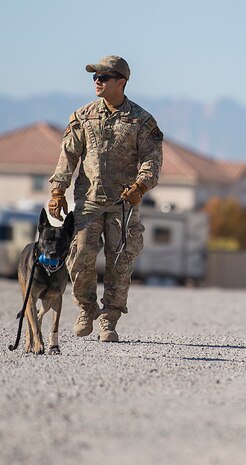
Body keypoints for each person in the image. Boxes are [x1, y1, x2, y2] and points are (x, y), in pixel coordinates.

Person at [47, 55, 163, 342]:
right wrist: (57, 190)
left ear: (121, 82)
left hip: (124, 205)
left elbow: (152, 159)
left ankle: (109, 320)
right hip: (88, 201)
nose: (97, 82)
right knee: (80, 255)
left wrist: (141, 186)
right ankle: (86, 309)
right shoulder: (83, 116)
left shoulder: (142, 121)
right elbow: (68, 156)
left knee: (120, 262)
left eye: (103, 78)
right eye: (94, 77)